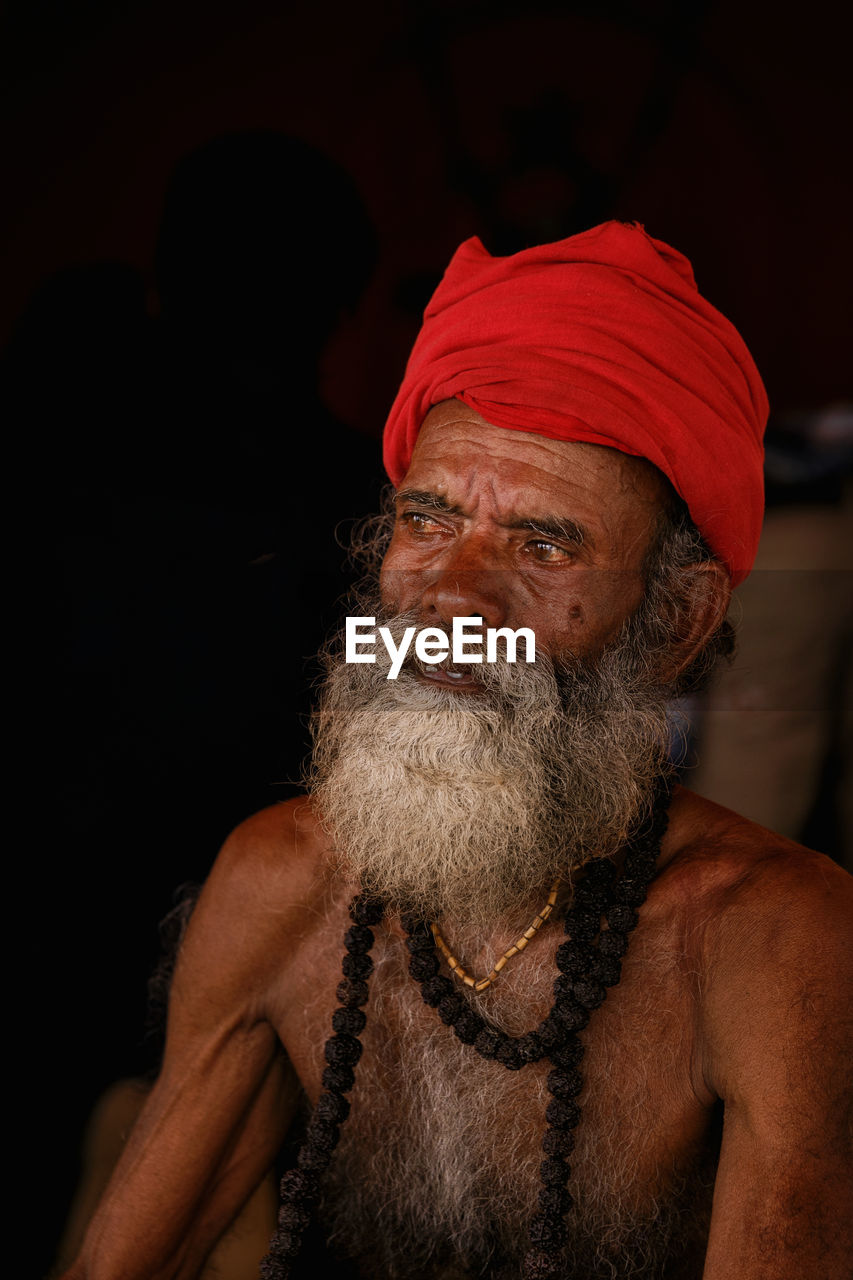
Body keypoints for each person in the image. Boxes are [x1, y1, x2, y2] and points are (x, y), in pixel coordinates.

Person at [62, 223, 852, 1280]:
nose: (451, 595)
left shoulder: (775, 942)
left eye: (542, 544)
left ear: (675, 620)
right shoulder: (281, 882)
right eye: (427, 520)